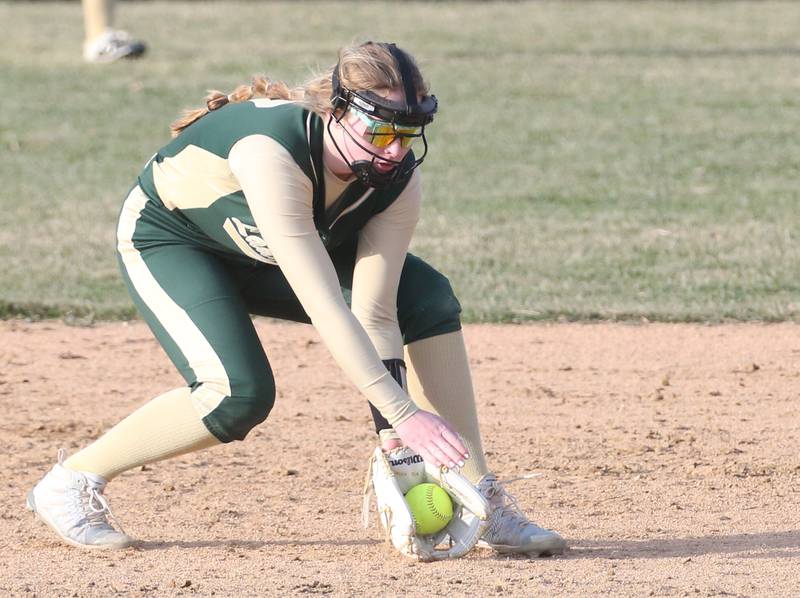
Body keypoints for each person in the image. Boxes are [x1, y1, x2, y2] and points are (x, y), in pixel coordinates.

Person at [27, 41, 566, 557]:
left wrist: (394, 441)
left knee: (423, 296)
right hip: (174, 241)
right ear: (336, 111)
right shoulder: (271, 154)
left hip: (264, 250)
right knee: (237, 396)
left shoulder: (396, 179)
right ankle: (71, 480)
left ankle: (484, 497)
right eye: (380, 132)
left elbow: (375, 310)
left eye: (409, 132)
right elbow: (327, 307)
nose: (396, 150)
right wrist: (405, 413)